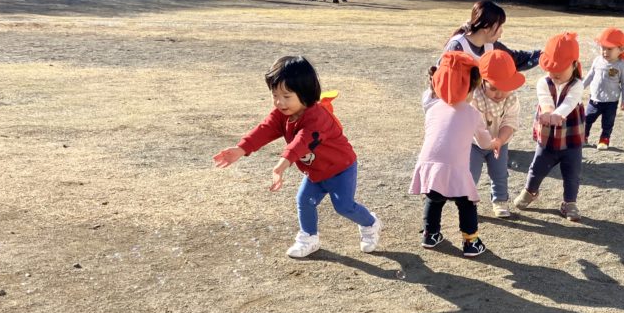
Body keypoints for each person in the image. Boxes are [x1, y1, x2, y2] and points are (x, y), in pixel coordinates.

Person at [213, 56, 382, 259]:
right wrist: (241, 149)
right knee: (304, 201)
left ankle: (370, 223)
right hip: (315, 171)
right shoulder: (283, 114)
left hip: (340, 169)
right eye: (275, 95)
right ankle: (309, 238)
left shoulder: (317, 117)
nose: (279, 102)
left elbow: (301, 143)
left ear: (305, 93)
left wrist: (280, 166)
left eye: (286, 96)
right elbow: (265, 129)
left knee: (344, 207)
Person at [410, 51, 499, 257]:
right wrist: (494, 143)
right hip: (455, 169)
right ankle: (471, 242)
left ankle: (430, 235)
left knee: (434, 199)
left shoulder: (432, 108)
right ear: (470, 87)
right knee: (467, 203)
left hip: (429, 165)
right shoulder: (472, 113)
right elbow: (484, 142)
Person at [513, 32, 586, 222]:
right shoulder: (543, 82)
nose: (554, 74)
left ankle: (569, 202)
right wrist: (548, 111)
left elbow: (570, 102)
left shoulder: (577, 84)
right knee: (537, 166)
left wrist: (558, 114)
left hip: (571, 138)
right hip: (547, 137)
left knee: (572, 173)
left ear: (573, 65)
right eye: (550, 69)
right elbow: (544, 98)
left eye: (559, 69)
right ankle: (530, 191)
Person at [470, 49, 524, 218]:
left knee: (500, 173)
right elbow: (476, 126)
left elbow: (510, 122)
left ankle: (500, 200)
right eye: (493, 88)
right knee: (470, 174)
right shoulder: (474, 98)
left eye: (504, 88)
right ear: (482, 81)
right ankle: (467, 203)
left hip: (500, 142)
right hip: (474, 143)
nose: (499, 94)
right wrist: (487, 142)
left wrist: (500, 140)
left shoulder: (511, 99)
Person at [443, 0, 540, 72]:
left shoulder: (490, 46)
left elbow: (515, 59)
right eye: (499, 26)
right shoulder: (457, 46)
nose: (501, 31)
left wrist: (542, 55)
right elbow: (445, 80)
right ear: (486, 27)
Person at [583, 27, 624, 150]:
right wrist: (580, 87)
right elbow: (590, 75)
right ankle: (583, 137)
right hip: (595, 100)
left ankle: (604, 139)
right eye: (603, 48)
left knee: (608, 122)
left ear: (620, 49)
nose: (605, 52)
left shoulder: (621, 65)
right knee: (586, 119)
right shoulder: (597, 61)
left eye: (609, 49)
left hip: (611, 102)